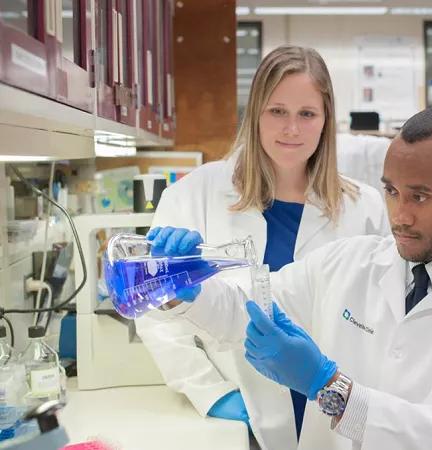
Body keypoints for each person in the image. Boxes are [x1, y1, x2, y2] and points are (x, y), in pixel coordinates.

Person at [146, 106, 432, 450]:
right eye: (391, 192)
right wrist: (188, 290)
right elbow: (249, 308)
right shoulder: (351, 262)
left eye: (420, 196)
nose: (399, 216)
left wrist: (327, 387)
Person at [135, 45, 389, 449]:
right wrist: (211, 392)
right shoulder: (194, 194)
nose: (292, 129)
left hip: (338, 416)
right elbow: (156, 313)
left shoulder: (365, 207)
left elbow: (382, 318)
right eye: (277, 111)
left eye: (307, 114)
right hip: (240, 413)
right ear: (255, 114)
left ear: (326, 120)